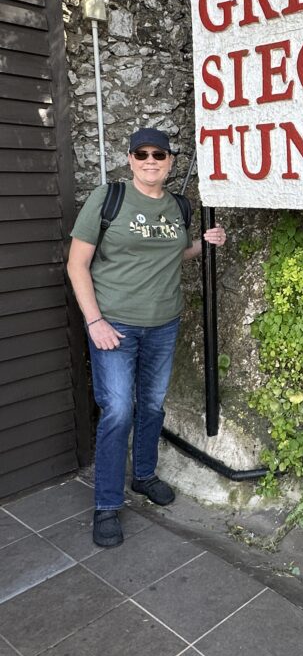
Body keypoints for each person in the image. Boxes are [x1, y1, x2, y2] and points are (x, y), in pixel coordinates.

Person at [67, 128, 227, 548]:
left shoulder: (178, 205)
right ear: (131, 159)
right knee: (119, 409)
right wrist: (95, 321)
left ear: (171, 161)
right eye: (142, 154)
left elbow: (172, 252)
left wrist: (203, 243)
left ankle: (143, 476)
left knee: (152, 405)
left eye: (159, 154)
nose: (150, 160)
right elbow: (76, 265)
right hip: (113, 325)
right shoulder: (108, 199)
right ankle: (106, 505)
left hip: (163, 322)